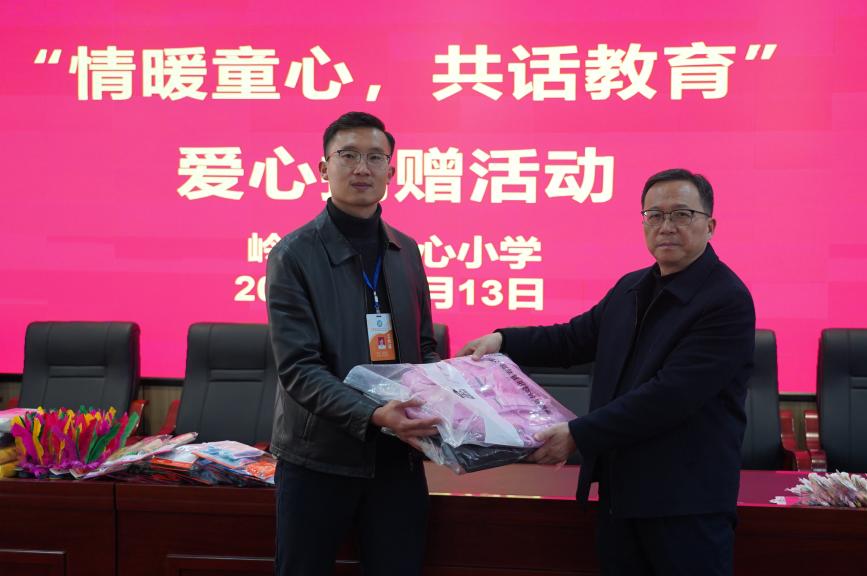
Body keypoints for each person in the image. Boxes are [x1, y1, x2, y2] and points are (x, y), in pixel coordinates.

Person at [458, 168, 755, 576]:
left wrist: (577, 435)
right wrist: (503, 339)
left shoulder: (726, 300)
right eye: (654, 215)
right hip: (621, 495)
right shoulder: (632, 288)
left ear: (710, 225)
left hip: (686, 505)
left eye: (682, 214)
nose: (666, 226)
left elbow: (670, 396)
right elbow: (571, 340)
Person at [266, 111, 442, 576]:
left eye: (375, 158)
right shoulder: (293, 255)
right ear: (324, 168)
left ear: (391, 171)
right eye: (348, 156)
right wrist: (373, 414)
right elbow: (299, 369)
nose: (362, 168)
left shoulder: (406, 250)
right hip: (318, 459)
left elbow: (424, 346)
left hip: (398, 456)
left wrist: (446, 396)